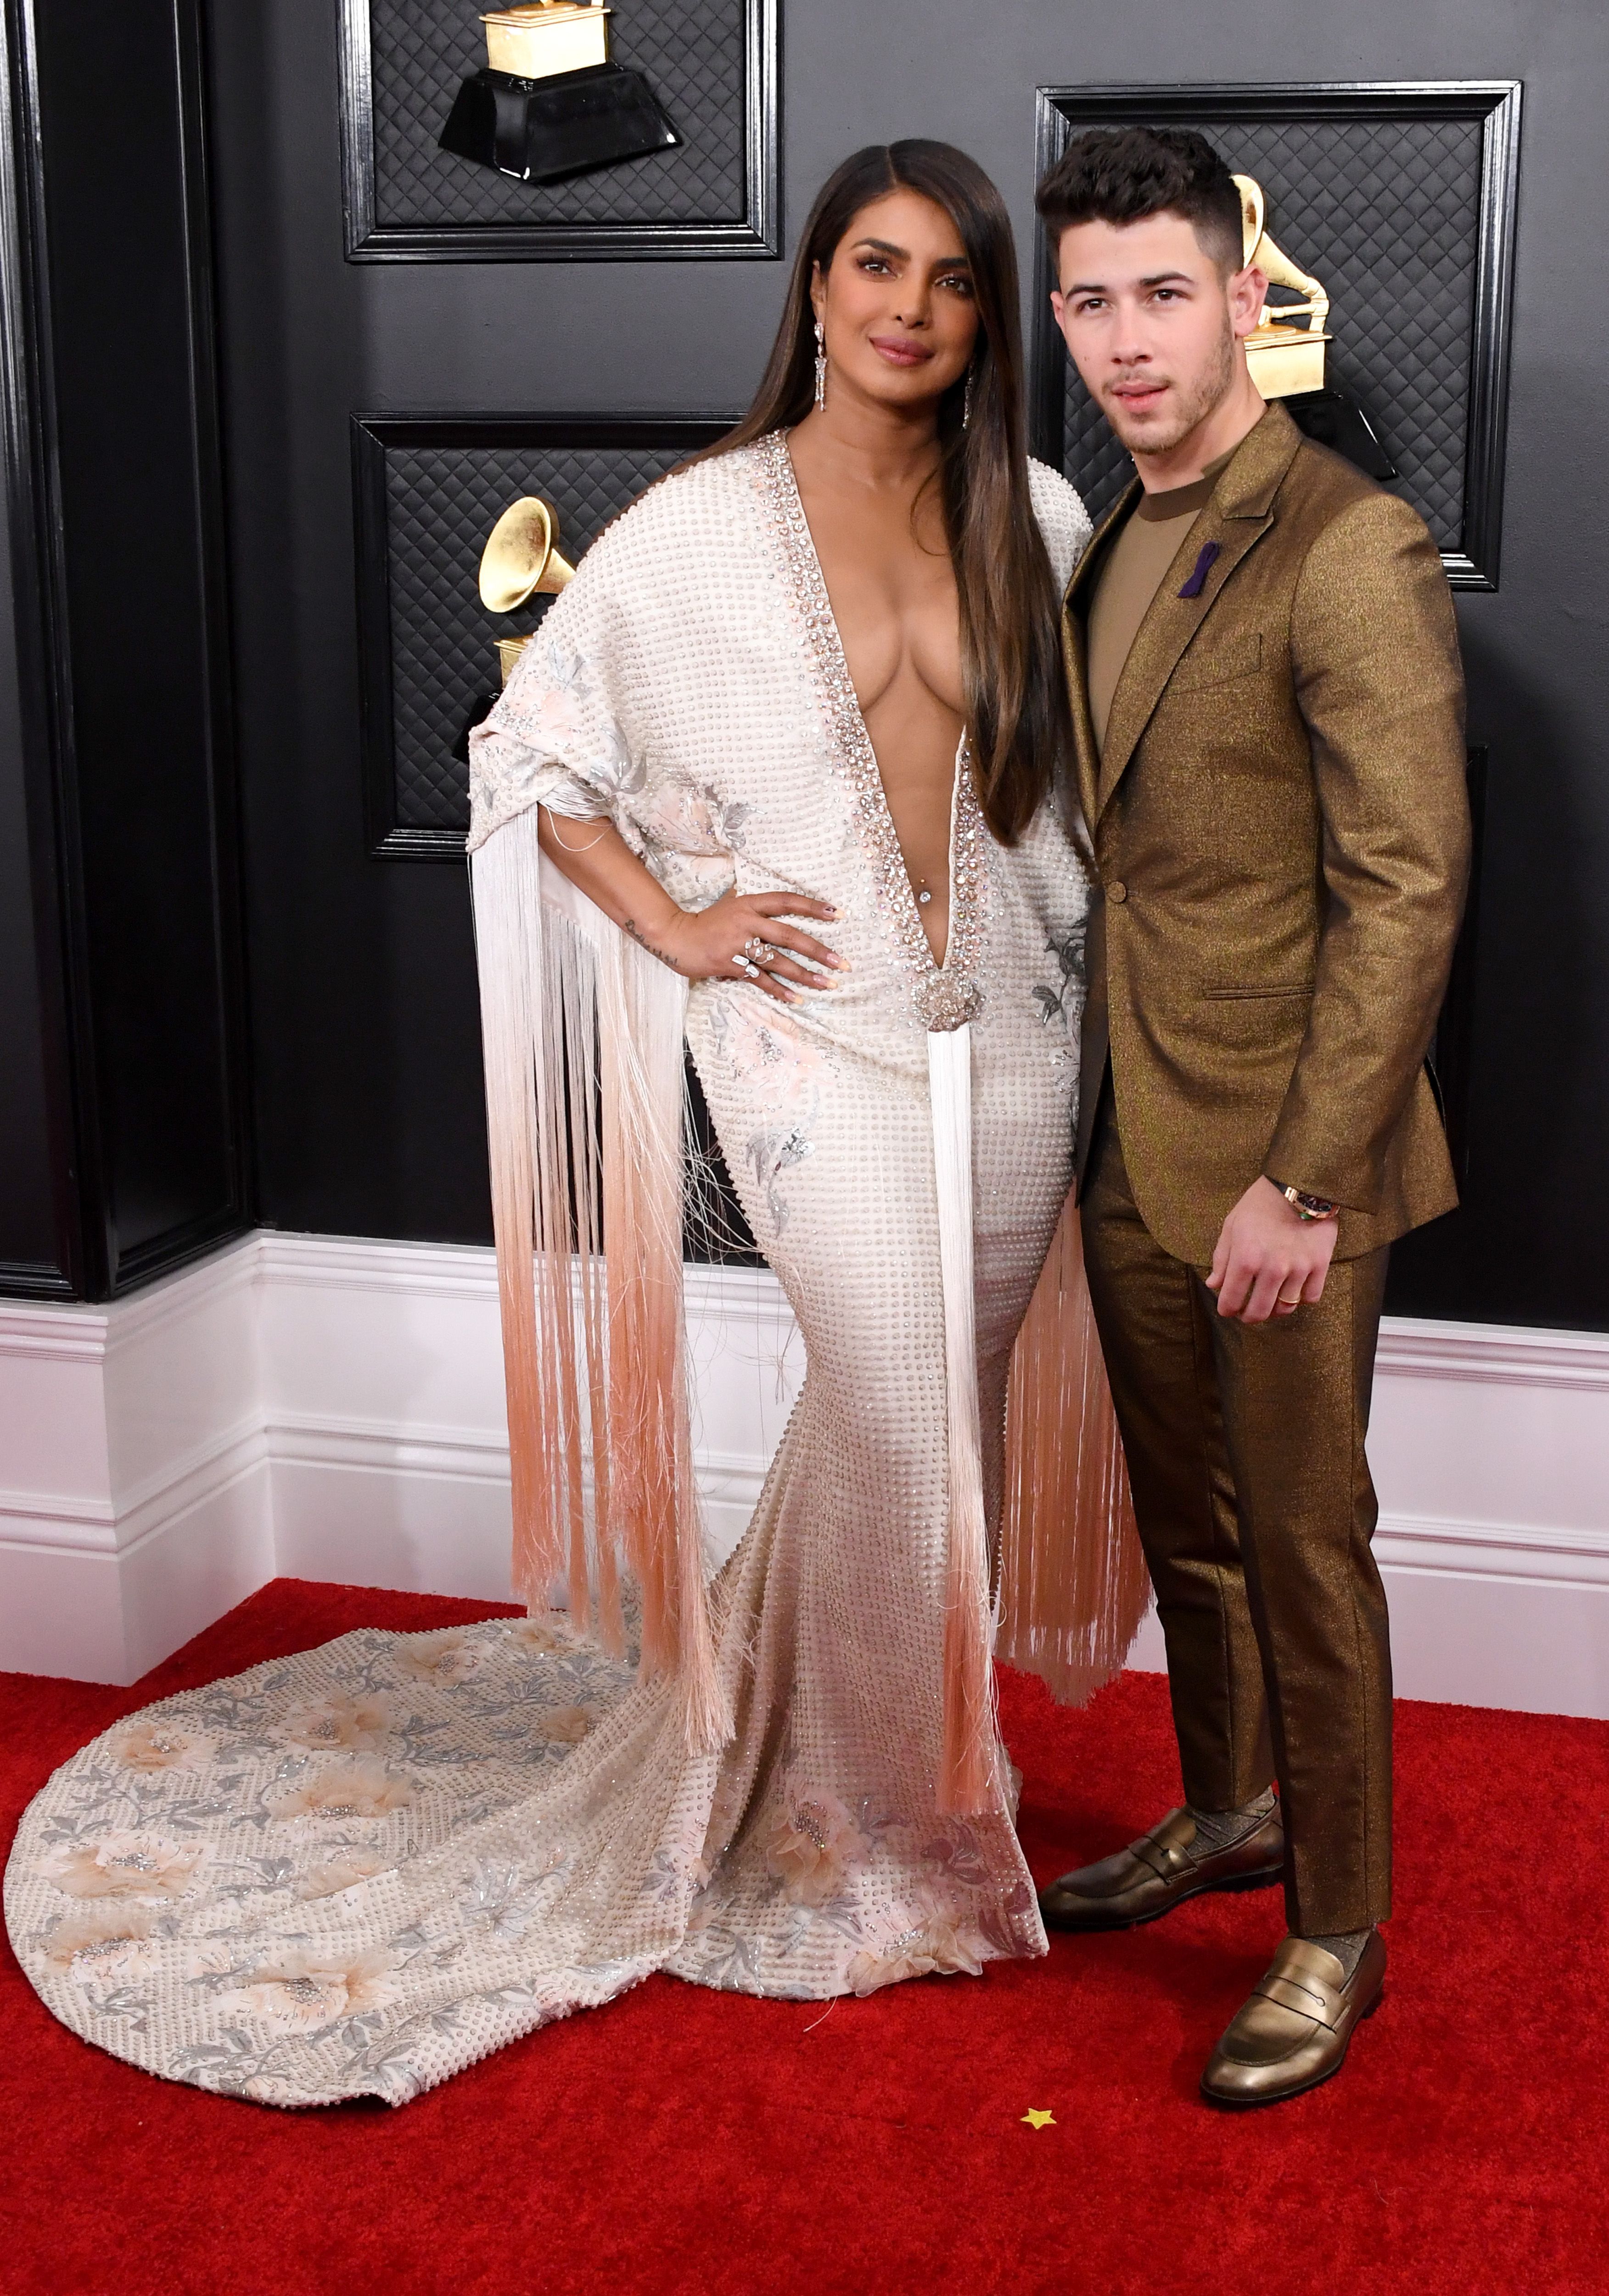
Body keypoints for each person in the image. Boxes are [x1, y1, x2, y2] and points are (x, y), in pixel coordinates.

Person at [6, 141, 1142, 2109]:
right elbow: (530, 760)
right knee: (889, 1405)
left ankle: (822, 1738)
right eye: (874, 264)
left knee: (924, 1417)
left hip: (1018, 1042)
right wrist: (682, 929)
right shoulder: (694, 532)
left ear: (980, 323)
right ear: (809, 287)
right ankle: (873, 1827)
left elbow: (1081, 793)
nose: (909, 305)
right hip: (798, 1044)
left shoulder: (1033, 515)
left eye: (953, 279)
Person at [1032, 126, 1470, 2106]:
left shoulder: (1342, 540)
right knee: (1186, 1530)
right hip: (1127, 1130)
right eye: (1089, 301)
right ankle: (1230, 1809)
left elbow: (1404, 886)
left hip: (1288, 1159)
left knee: (1304, 1542)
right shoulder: (1110, 538)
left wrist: (1306, 1176)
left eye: (1160, 295)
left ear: (1240, 303)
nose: (1127, 342)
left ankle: (1342, 1920)